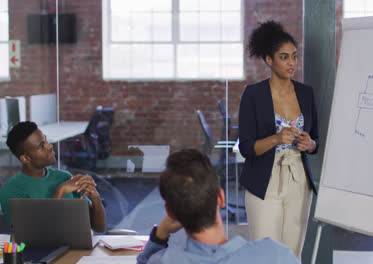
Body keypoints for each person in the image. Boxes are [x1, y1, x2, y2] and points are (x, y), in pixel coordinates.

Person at [238, 20, 319, 259]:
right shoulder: (253, 95)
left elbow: (317, 139)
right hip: (264, 182)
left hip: (299, 182)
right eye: (284, 57)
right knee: (265, 255)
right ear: (269, 59)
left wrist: (310, 144)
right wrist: (275, 139)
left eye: (294, 56)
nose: (292, 63)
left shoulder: (306, 92)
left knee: (293, 254)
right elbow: (246, 147)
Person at [137, 149, 299, 264]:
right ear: (221, 198)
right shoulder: (275, 256)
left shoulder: (163, 261)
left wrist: (160, 234)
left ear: (171, 213)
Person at [0, 121, 106, 233]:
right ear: (26, 158)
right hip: (42, 250)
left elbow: (99, 227)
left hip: (77, 248)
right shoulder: (12, 190)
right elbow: (37, 235)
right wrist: (60, 192)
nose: (49, 146)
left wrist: (95, 198)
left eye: (45, 140)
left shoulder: (64, 177)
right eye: (41, 146)